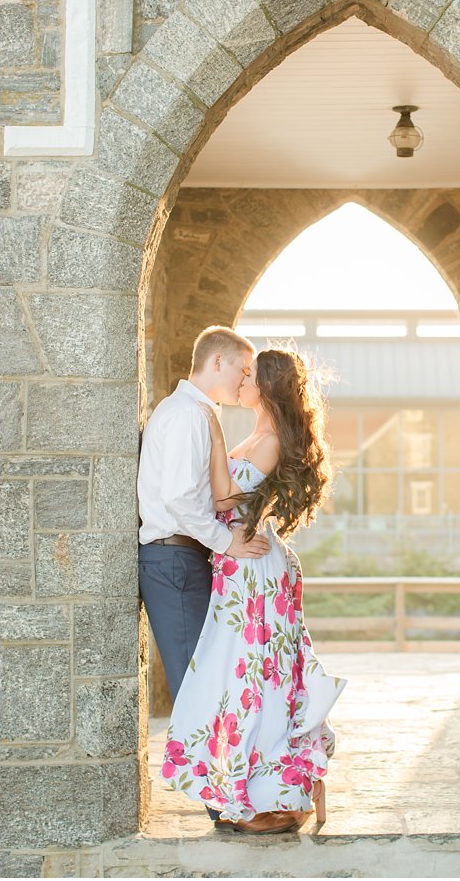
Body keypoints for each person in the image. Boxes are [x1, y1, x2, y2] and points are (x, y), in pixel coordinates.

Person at [160, 348, 345, 832]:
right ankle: (280, 788)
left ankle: (283, 792)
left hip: (255, 567)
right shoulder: (260, 434)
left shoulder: (269, 439)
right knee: (248, 678)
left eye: (249, 374)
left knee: (260, 679)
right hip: (243, 563)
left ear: (265, 385)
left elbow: (224, 497)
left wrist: (214, 432)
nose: (241, 380)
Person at [138, 326, 272, 821]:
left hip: (183, 559)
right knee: (197, 684)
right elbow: (178, 499)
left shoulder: (196, 414)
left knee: (208, 678)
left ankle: (229, 798)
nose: (243, 380)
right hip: (173, 560)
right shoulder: (188, 416)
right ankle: (225, 808)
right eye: (241, 368)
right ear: (217, 363)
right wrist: (228, 542)